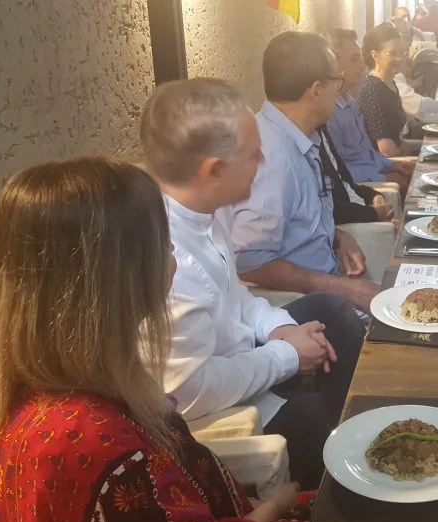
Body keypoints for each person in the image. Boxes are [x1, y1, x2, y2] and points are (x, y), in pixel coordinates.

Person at [0, 157, 304, 522]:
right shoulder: (95, 447)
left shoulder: (44, 391)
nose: (174, 257)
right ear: (121, 275)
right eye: (163, 242)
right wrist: (274, 507)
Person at [141, 77, 365, 488]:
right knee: (314, 421)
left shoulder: (203, 213)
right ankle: (342, 463)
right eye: (252, 153)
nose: (263, 161)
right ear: (214, 170)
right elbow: (190, 392)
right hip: (217, 405)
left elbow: (238, 298)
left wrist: (280, 328)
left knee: (330, 309)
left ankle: (355, 421)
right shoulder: (169, 262)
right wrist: (287, 356)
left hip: (243, 353)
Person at [219, 32, 382, 313]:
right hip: (304, 311)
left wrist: (336, 236)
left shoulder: (298, 137)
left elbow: (296, 220)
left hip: (330, 286)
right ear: (317, 90)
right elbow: (251, 261)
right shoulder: (273, 158)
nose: (339, 90)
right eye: (336, 81)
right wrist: (340, 288)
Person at [324, 28, 415, 191]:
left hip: (375, 172)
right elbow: (338, 170)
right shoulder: (328, 113)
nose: (362, 65)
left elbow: (367, 154)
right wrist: (383, 178)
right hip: (364, 188)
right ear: (333, 65)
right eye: (354, 59)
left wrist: (392, 165)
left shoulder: (350, 102)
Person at [356, 24, 419, 157]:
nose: (400, 59)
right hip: (382, 164)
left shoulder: (391, 84)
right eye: (393, 53)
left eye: (402, 53)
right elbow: (386, 150)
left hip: (397, 155)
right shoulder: (372, 90)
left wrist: (427, 147)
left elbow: (398, 140)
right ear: (375, 55)